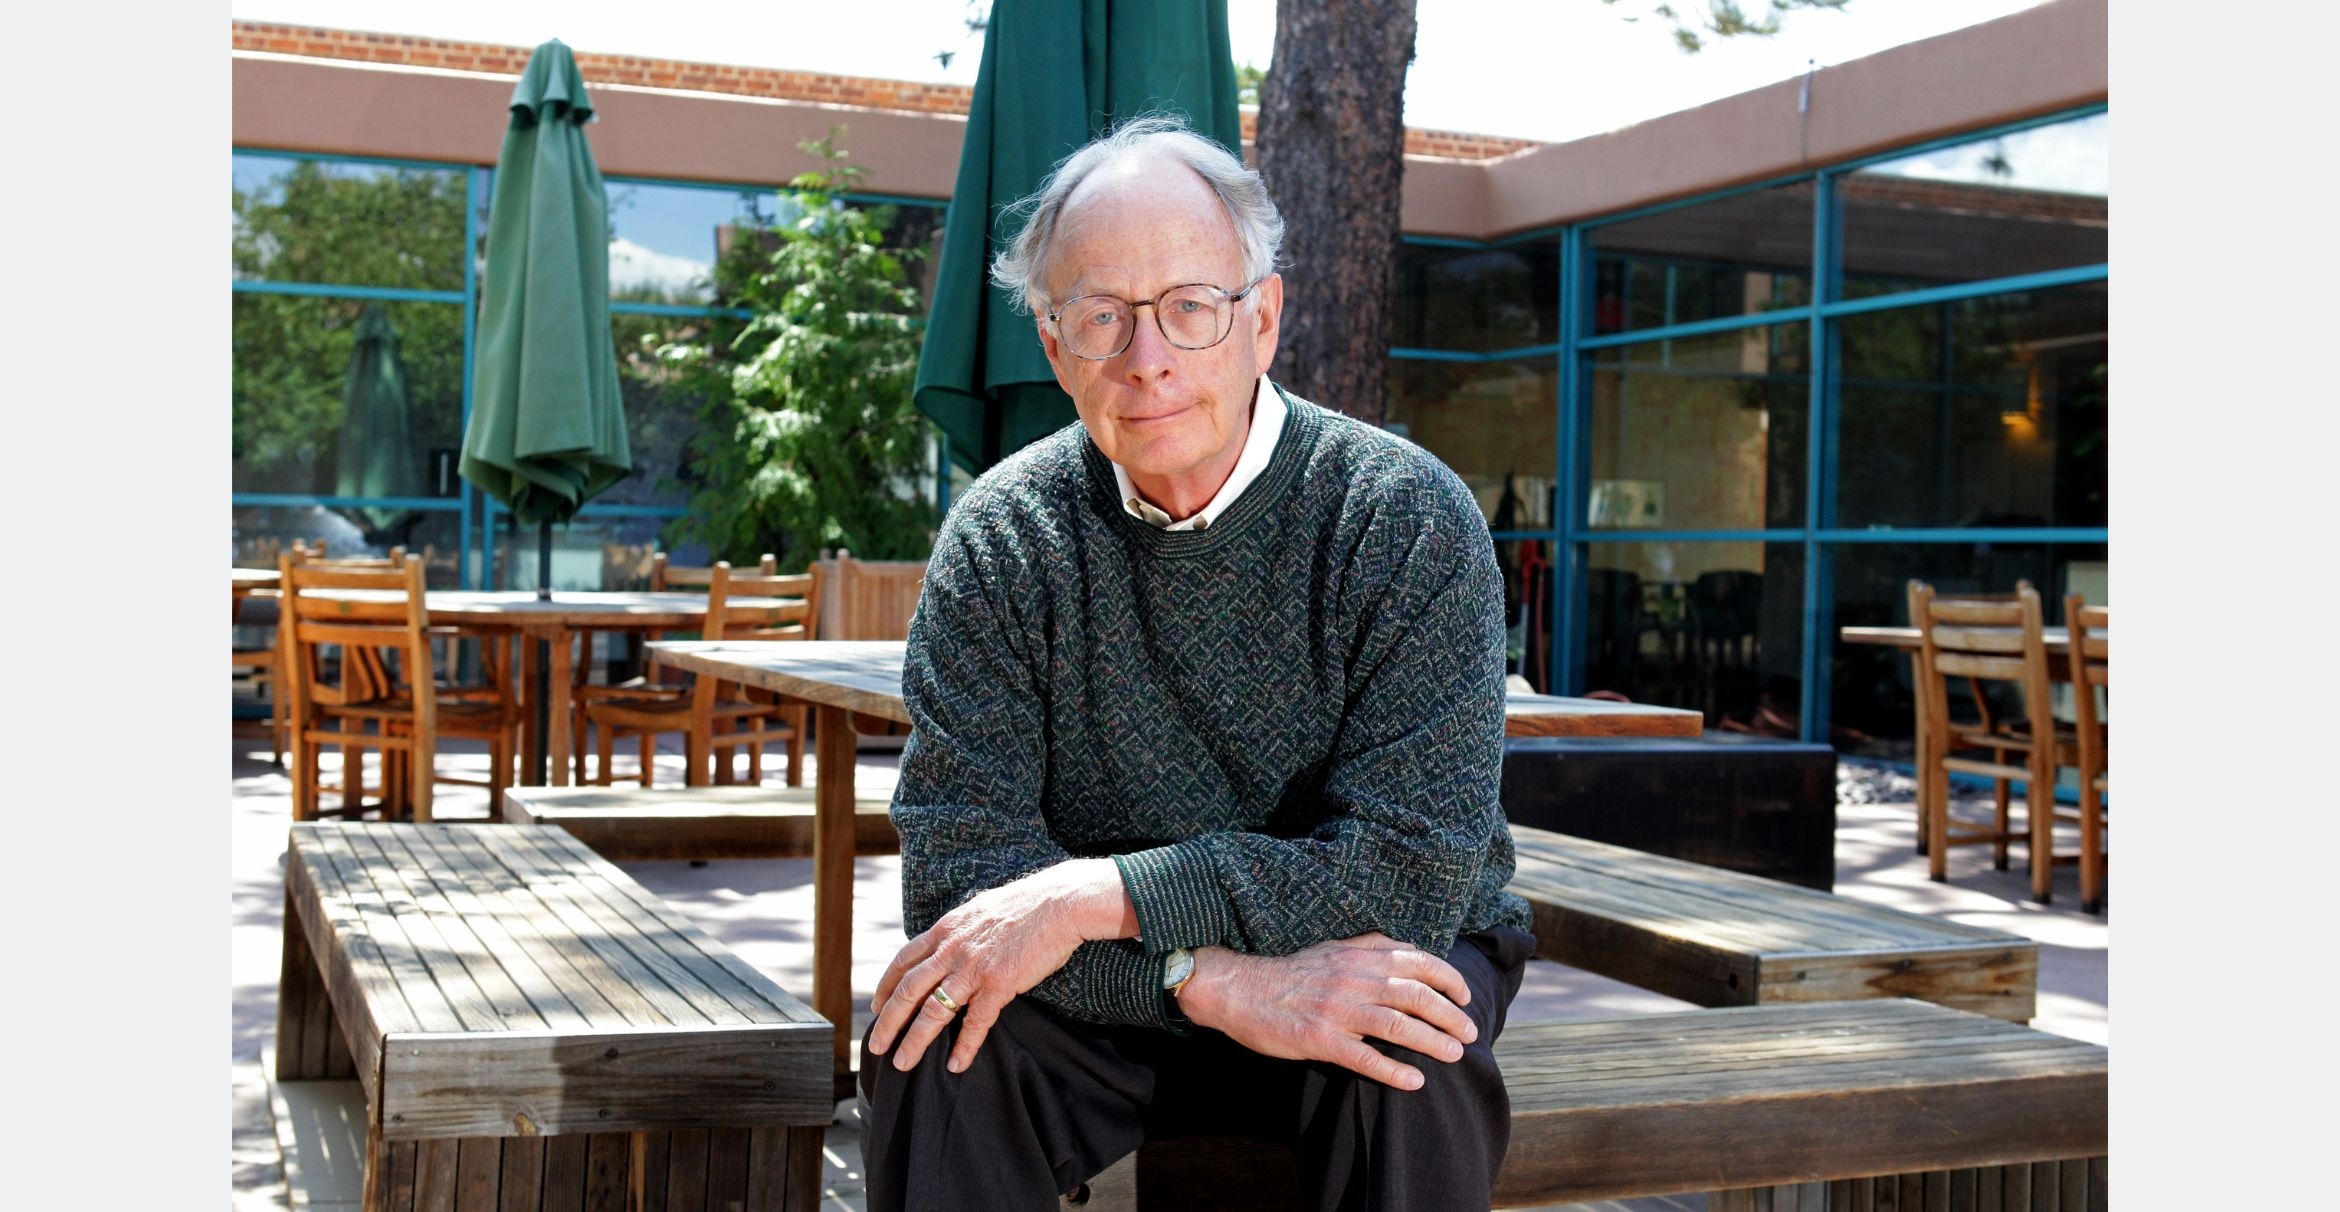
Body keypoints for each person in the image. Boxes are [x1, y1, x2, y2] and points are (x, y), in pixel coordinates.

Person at [859, 115, 1535, 1212]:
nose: (1148, 359)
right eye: (1101, 318)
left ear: (1262, 320)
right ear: (1052, 345)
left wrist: (1103, 891)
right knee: (935, 1033)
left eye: (1190, 307)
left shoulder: (1404, 517)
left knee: (1409, 1045)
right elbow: (963, 889)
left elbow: (1408, 874)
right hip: (1113, 990)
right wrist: (1207, 981)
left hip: (1370, 943)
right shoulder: (1002, 539)